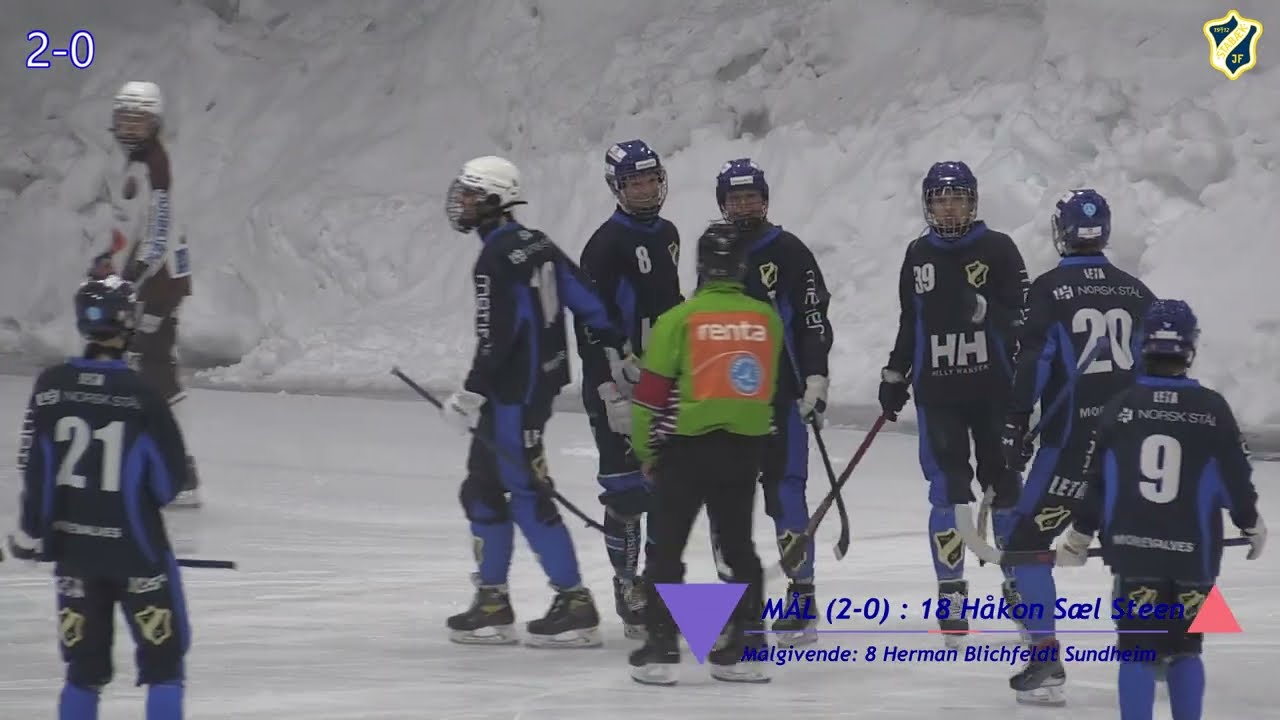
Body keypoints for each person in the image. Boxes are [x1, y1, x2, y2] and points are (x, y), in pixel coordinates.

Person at [439, 155, 635, 648]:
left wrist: (471, 392)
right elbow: (585, 295)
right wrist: (618, 342)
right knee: (482, 488)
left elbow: (496, 335)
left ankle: (574, 603)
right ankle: (492, 600)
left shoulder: (494, 260)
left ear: (493, 200)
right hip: (536, 386)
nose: (460, 204)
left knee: (527, 494)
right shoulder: (537, 243)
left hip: (513, 395)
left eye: (469, 195)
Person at [1054, 298, 1265, 720]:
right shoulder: (1212, 409)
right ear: (1189, 346)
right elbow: (1235, 482)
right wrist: (1250, 521)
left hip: (1133, 554)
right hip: (1194, 555)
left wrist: (1079, 535)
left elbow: (1097, 483)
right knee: (1186, 650)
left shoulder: (1120, 408)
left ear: (1142, 344)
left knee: (1136, 650)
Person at [7, 275, 194, 720]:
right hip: (139, 554)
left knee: (82, 671)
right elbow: (168, 484)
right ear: (127, 322)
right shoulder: (144, 396)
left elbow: (35, 468)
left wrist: (33, 534)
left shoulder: (49, 387)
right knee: (164, 666)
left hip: (74, 557)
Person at [999, 189, 1155, 705]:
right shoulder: (1136, 292)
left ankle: (1045, 658)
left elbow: (1034, 366)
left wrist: (1015, 427)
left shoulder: (1047, 290)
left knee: (1025, 544)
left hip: (1070, 446)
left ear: (1060, 231)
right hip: (1130, 448)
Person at [877, 160, 1029, 646]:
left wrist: (989, 312)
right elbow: (910, 320)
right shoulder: (918, 252)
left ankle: (1018, 580)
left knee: (1003, 485)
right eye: (939, 198)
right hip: (938, 393)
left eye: (957, 197)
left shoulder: (999, 248)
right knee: (947, 489)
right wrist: (895, 371)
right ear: (927, 203)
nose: (948, 207)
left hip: (993, 392)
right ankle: (952, 591)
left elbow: (1027, 320)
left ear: (973, 201)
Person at [627, 222, 783, 685]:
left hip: (686, 450)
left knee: (667, 548)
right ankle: (748, 648)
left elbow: (650, 395)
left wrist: (645, 449)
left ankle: (661, 649)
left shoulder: (679, 319)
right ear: (742, 266)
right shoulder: (765, 319)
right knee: (738, 547)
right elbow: (767, 387)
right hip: (744, 450)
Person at [706, 158, 833, 644]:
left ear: (765, 199)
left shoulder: (790, 251)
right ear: (722, 203)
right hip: (727, 403)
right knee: (728, 500)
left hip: (780, 397)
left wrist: (816, 376)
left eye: (752, 196)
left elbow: (814, 318)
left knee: (785, 493)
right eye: (735, 198)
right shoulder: (715, 251)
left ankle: (802, 597)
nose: (744, 205)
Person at [574, 139, 684, 639]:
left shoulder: (669, 234)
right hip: (619, 389)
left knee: (664, 490)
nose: (644, 190)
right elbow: (588, 324)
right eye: (633, 182)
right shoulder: (604, 246)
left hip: (663, 386)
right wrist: (607, 390)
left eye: (649, 180)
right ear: (616, 188)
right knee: (625, 495)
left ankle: (658, 586)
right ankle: (627, 587)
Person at [95, 80, 200, 507]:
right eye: (124, 118)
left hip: (159, 284)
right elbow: (131, 226)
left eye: (139, 120)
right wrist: (108, 262)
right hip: (153, 280)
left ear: (155, 123)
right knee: (142, 365)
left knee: (153, 367)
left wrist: (131, 280)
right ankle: (156, 461)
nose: (130, 128)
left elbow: (156, 234)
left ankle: (181, 472)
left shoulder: (154, 166)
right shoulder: (135, 163)